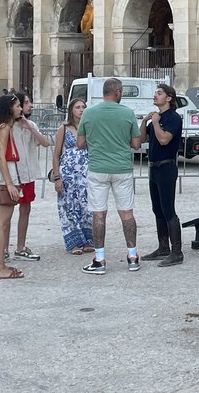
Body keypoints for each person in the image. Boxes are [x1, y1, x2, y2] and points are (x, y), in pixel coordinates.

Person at [77, 77, 143, 274]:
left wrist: (97, 141)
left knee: (99, 214)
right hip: (121, 168)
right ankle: (132, 256)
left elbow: (80, 143)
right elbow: (136, 145)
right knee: (127, 213)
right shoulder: (127, 113)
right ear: (118, 92)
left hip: (98, 168)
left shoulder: (89, 113)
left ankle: (100, 259)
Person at [141, 83, 185, 267]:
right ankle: (163, 247)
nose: (155, 96)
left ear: (169, 98)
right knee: (157, 209)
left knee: (168, 209)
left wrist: (156, 122)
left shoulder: (173, 118)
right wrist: (145, 121)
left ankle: (177, 252)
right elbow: (142, 138)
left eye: (159, 93)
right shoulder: (156, 119)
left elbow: (164, 139)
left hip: (167, 167)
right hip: (154, 167)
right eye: (155, 93)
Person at [9, 92, 51, 262]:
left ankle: (20, 247)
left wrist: (31, 128)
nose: (30, 105)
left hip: (27, 174)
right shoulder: (7, 127)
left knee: (25, 209)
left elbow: (46, 143)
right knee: (7, 212)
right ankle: (3, 249)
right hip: (12, 175)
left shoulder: (30, 124)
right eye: (25, 103)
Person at [0, 94, 25, 280]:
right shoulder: (4, 128)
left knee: (3, 222)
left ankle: (0, 263)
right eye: (17, 106)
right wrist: (9, 183)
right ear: (10, 108)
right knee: (2, 223)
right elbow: (1, 156)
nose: (20, 108)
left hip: (5, 173)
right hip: (4, 175)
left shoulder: (5, 126)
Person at [50, 98, 94, 254]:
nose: (81, 110)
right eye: (77, 107)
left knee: (87, 206)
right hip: (68, 173)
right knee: (69, 206)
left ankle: (88, 239)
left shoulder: (90, 127)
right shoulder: (64, 128)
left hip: (86, 173)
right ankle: (74, 242)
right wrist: (57, 177)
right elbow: (56, 155)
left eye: (83, 107)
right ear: (71, 110)